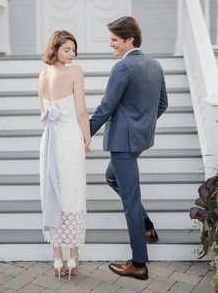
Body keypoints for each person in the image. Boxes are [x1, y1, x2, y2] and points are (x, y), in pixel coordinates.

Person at [90, 16, 168, 280]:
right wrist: (142, 125)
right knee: (111, 177)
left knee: (130, 200)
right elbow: (163, 104)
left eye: (114, 39)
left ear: (129, 39)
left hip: (124, 143)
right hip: (139, 140)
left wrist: (83, 133)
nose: (111, 44)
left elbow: (106, 107)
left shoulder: (122, 68)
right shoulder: (155, 65)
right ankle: (147, 227)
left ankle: (138, 263)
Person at [39, 30, 90, 281]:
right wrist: (87, 136)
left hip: (49, 141)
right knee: (72, 192)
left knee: (53, 191)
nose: (72, 54)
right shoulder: (75, 71)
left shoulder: (43, 75)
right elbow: (81, 110)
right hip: (69, 139)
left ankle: (57, 259)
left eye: (74, 49)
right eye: (67, 49)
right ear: (56, 48)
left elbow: (43, 114)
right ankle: (73, 258)